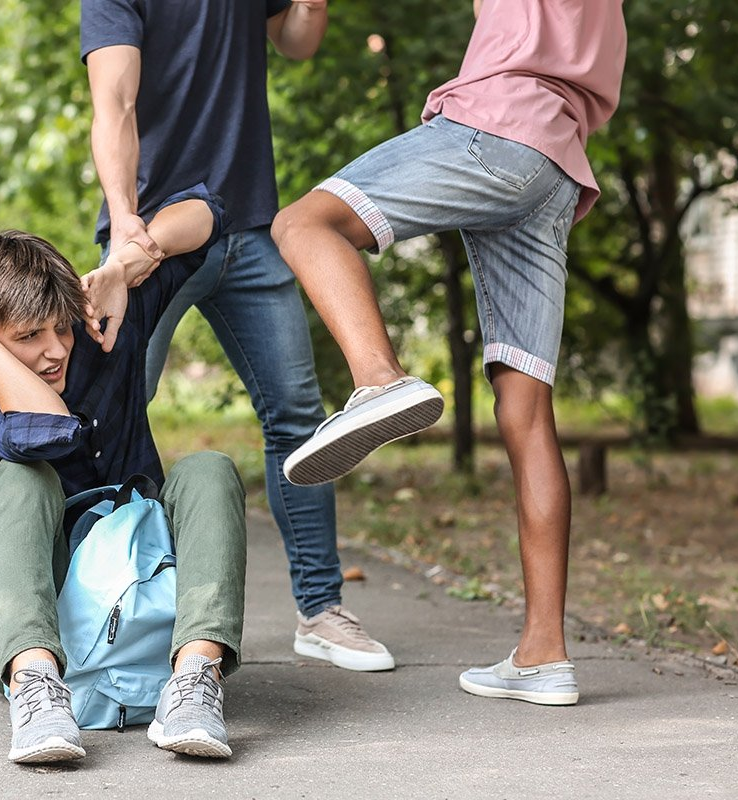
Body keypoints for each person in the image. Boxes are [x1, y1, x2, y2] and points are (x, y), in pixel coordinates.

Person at [271, 0, 627, 704]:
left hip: (496, 127)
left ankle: (380, 379)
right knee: (527, 414)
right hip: (557, 163)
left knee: (305, 223)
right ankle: (543, 655)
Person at [81, 0, 396, 673]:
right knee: (110, 423)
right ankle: (99, 609)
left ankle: (321, 610)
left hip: (250, 227)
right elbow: (114, 100)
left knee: (299, 419)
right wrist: (124, 220)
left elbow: (298, 41)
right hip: (152, 238)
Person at [0, 188, 247, 764]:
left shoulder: (99, 330)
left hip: (145, 600)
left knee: (209, 469)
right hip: (30, 631)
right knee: (21, 477)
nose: (54, 351)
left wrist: (120, 266)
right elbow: (49, 429)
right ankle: (38, 693)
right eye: (27, 337)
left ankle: (195, 681)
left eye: (58, 328)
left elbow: (212, 213)